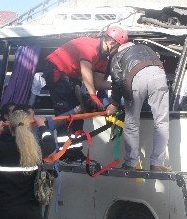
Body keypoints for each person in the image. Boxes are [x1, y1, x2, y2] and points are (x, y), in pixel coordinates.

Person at [44, 26, 127, 162]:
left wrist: (120, 85)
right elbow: (86, 71)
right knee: (66, 112)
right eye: (119, 48)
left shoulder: (103, 58)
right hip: (57, 71)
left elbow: (98, 82)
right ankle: (65, 154)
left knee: (78, 115)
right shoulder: (89, 46)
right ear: (113, 43)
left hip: (70, 77)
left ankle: (75, 151)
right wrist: (92, 95)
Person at [106, 42, 171, 171]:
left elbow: (117, 81)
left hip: (136, 76)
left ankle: (131, 163)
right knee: (162, 122)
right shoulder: (146, 48)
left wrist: (114, 103)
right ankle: (157, 164)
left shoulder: (118, 55)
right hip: (159, 74)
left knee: (131, 123)